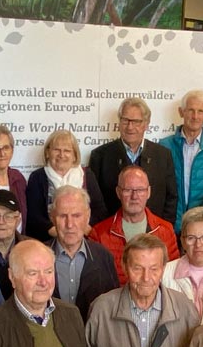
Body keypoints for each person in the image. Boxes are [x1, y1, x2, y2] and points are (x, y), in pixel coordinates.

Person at [88, 95, 177, 221]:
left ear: (146, 124)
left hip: (153, 230)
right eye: (125, 120)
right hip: (111, 229)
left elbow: (171, 198)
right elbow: (93, 202)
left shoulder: (163, 155)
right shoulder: (100, 156)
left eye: (136, 122)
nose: (130, 127)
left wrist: (163, 228)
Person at [88, 164, 180, 281]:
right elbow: (97, 280)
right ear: (118, 192)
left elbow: (172, 277)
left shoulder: (166, 230)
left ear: (149, 192)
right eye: (128, 190)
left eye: (140, 190)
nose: (134, 196)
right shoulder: (99, 234)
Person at [48, 185, 119, 319]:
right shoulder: (38, 257)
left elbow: (113, 307)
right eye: (63, 216)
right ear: (52, 218)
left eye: (76, 216)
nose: (70, 224)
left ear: (88, 216)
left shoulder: (103, 257)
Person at [25, 127, 106, 242]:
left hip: (84, 239)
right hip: (48, 241)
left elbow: (100, 211)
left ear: (75, 155)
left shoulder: (87, 175)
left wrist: (82, 228)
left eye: (67, 151)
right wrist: (56, 231)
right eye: (56, 150)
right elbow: (34, 216)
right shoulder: (37, 177)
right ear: (47, 153)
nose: (61, 155)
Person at [159, 89, 203, 222]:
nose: (195, 116)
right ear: (181, 112)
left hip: (202, 223)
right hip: (170, 220)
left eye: (200, 111)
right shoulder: (164, 146)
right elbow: (158, 188)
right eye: (190, 110)